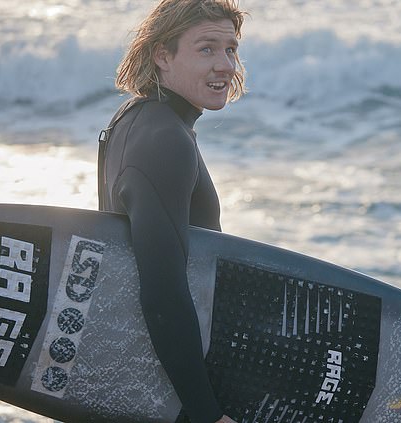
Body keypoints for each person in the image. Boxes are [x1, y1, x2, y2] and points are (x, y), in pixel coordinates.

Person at [97, 1, 246, 422]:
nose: (226, 65)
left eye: (231, 50)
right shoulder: (165, 140)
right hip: (180, 389)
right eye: (207, 49)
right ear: (162, 54)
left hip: (155, 377)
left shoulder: (135, 119)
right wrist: (206, 413)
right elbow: (164, 293)